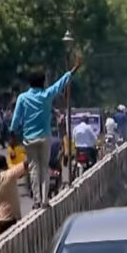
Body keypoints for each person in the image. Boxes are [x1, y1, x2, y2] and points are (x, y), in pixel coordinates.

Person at [10, 59, 81, 208]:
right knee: (44, 168)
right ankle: (44, 200)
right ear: (43, 82)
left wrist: (12, 133)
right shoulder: (47, 94)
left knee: (33, 169)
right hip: (44, 137)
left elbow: (16, 119)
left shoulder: (23, 98)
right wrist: (73, 70)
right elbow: (60, 84)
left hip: (29, 138)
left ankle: (36, 200)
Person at [0, 154, 27, 233]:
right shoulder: (8, 175)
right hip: (11, 221)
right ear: (4, 165)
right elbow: (26, 164)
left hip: (0, 220)